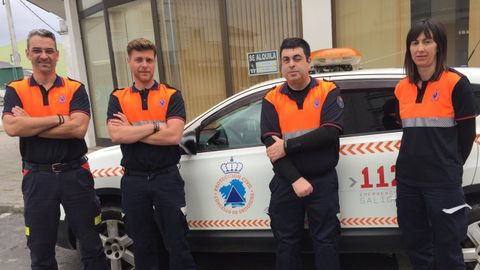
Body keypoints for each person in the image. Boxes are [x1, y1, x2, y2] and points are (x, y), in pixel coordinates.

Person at [1, 29, 107, 269]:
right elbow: (12, 126)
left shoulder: (74, 88)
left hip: (75, 175)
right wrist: (59, 118)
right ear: (28, 53)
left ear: (57, 55)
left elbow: (78, 129)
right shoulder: (16, 89)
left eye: (49, 51)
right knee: (40, 248)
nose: (44, 56)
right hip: (38, 178)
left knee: (91, 244)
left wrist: (31, 123)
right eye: (37, 50)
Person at [106, 38, 196, 270]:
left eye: (148, 59)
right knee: (143, 245)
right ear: (129, 62)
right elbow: (117, 136)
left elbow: (173, 136)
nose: (144, 64)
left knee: (177, 242)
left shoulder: (172, 95)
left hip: (167, 178)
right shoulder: (118, 98)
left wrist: (132, 129)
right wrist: (157, 126)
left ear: (155, 61)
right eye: (138, 60)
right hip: (134, 181)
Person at [395, 18, 477, 270]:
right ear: (409, 48)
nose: (420, 48)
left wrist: (449, 166)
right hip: (409, 182)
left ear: (438, 46)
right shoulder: (402, 87)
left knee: (448, 249)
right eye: (415, 42)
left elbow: (466, 136)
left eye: (427, 41)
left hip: (442, 182)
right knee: (417, 247)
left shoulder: (456, 84)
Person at [260, 37, 343, 270]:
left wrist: (287, 145)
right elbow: (271, 147)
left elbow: (329, 134)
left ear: (308, 61)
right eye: (286, 60)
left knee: (326, 242)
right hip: (286, 181)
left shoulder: (328, 90)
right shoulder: (271, 98)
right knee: (286, 244)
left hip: (322, 181)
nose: (291, 64)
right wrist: (296, 179)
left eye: (297, 58)